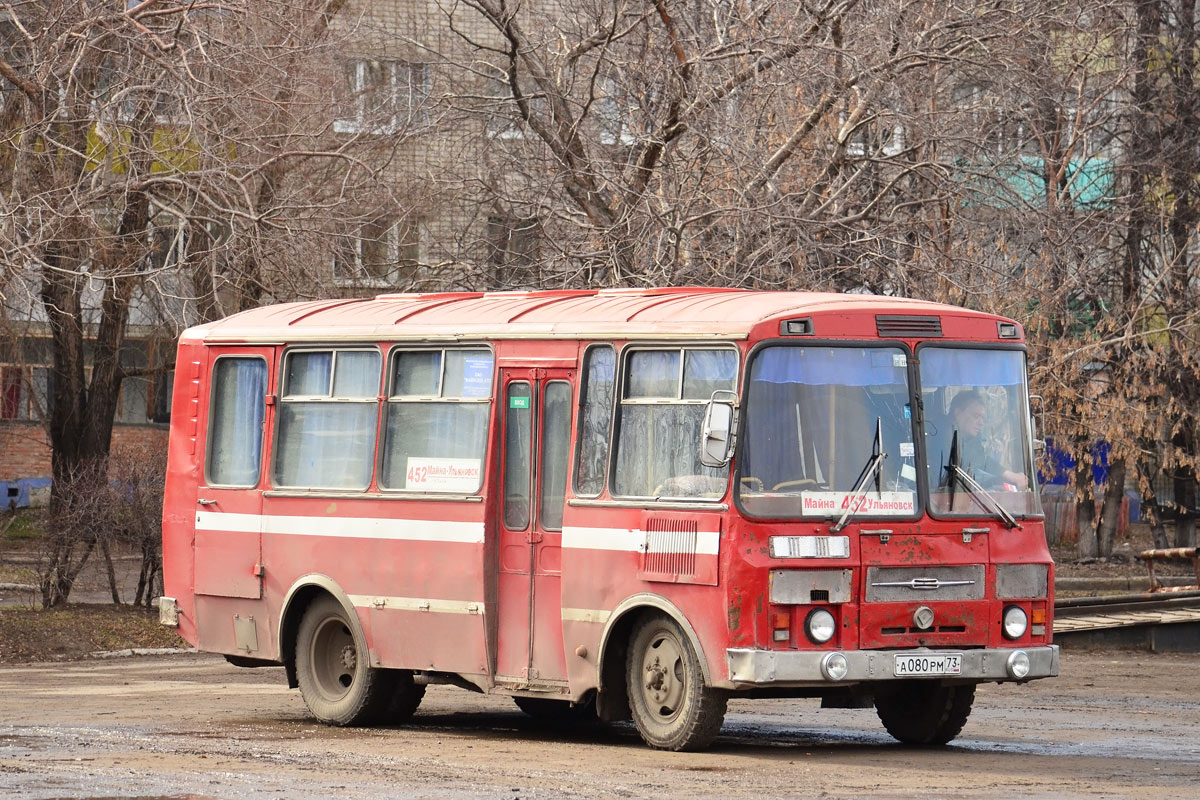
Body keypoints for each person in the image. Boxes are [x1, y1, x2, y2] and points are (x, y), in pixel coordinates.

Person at [947, 390, 1029, 490]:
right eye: (976, 416)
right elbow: (971, 459)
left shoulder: (971, 437)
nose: (981, 423)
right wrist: (1009, 476)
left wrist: (1008, 477)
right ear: (958, 413)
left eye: (982, 418)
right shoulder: (941, 434)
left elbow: (982, 459)